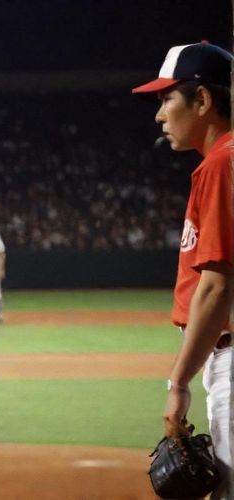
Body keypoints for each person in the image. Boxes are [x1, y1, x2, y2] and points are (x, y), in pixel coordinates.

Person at [132, 41, 234, 498]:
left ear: (203, 99)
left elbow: (216, 288)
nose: (159, 115)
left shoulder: (223, 163)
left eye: (167, 99)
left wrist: (178, 384)